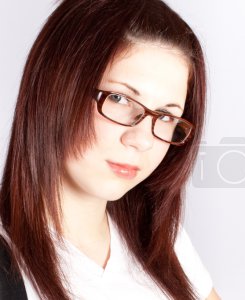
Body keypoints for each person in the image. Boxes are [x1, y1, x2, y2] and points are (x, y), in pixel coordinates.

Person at [0, 0, 221, 299]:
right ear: (55, 89)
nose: (141, 140)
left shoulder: (159, 242)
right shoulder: (9, 267)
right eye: (119, 99)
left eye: (166, 116)